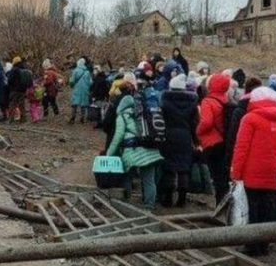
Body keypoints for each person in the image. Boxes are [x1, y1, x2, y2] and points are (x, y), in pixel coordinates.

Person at [230, 87, 276, 256]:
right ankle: (264, 245)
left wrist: (235, 173)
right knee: (267, 208)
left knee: (251, 209)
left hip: (251, 172)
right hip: (272, 172)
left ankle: (252, 246)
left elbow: (241, 148)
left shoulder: (249, 119)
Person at [106, 73, 164, 211]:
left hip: (131, 151)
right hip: (150, 147)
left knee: (127, 175)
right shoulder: (146, 112)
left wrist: (109, 154)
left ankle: (127, 202)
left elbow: (118, 136)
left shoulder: (122, 116)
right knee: (148, 179)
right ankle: (149, 205)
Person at [160, 74, 199, 207]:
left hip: (169, 135)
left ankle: (168, 198)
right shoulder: (192, 103)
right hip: (185, 136)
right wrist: (196, 141)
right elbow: (194, 124)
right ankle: (182, 199)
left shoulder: (165, 101)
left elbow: (161, 120)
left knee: (169, 167)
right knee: (184, 167)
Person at [197, 73, 232, 203]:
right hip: (224, 141)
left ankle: (220, 205)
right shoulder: (227, 101)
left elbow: (206, 122)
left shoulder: (208, 101)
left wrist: (197, 131)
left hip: (211, 143)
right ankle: (225, 204)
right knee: (223, 178)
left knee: (217, 178)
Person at [225, 77, 263, 166]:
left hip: (241, 152)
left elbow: (233, 135)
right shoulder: (265, 109)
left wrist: (229, 156)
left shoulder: (239, 109)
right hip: (258, 154)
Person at [69, 58, 92, 124]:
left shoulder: (75, 70)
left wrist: (71, 85)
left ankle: (73, 118)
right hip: (85, 89)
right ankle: (82, 118)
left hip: (77, 89)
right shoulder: (87, 72)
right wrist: (87, 87)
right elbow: (90, 82)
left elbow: (72, 81)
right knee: (83, 104)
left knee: (74, 103)